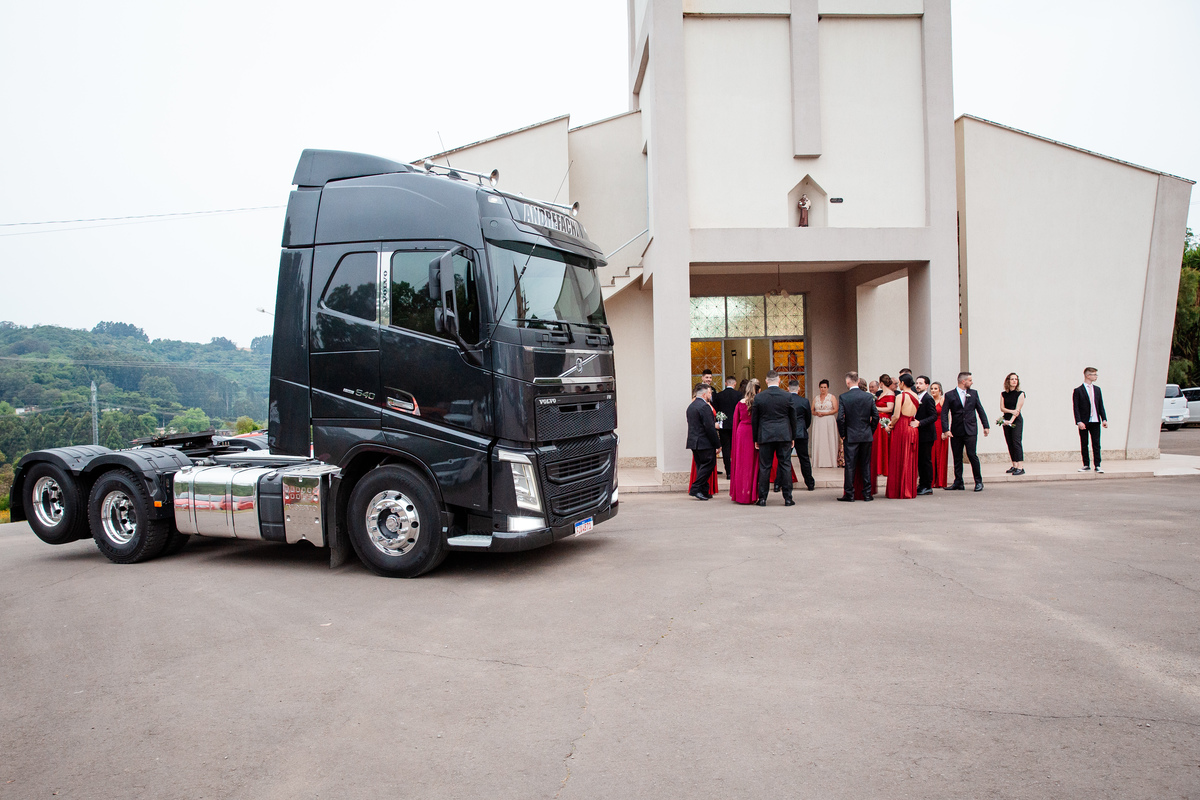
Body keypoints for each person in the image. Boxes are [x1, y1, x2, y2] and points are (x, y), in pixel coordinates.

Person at [752, 371, 797, 506]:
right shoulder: (787, 396)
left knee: (765, 466)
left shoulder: (759, 397)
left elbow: (755, 420)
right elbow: (793, 418)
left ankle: (763, 498)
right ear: (779, 381)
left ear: (766, 381)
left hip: (765, 435)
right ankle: (788, 498)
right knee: (785, 465)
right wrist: (792, 436)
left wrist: (756, 438)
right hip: (784, 434)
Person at [941, 371, 990, 491]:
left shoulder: (973, 393)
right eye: (970, 380)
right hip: (956, 430)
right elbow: (944, 413)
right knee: (957, 456)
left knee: (972, 455)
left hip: (971, 429)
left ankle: (978, 481)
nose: (972, 382)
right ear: (963, 381)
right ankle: (958, 482)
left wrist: (986, 425)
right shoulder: (950, 395)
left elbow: (980, 409)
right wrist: (946, 429)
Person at [836, 371, 879, 502]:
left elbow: (840, 419)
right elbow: (875, 416)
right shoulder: (868, 397)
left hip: (851, 434)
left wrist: (843, 434)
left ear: (848, 382)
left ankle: (849, 494)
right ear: (858, 381)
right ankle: (867, 493)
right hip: (866, 434)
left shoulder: (844, 397)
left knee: (850, 465)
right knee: (865, 464)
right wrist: (870, 430)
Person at [886, 374, 920, 499]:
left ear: (902, 383)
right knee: (909, 457)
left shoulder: (901, 396)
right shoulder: (916, 395)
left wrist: (890, 425)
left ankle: (898, 489)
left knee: (899, 456)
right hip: (912, 427)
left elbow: (896, 415)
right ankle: (908, 488)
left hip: (902, 427)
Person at [686, 383, 720, 500]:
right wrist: (717, 444)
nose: (711, 395)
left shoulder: (691, 406)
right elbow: (709, 428)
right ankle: (695, 488)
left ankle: (704, 490)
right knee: (709, 464)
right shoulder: (704, 407)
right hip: (704, 442)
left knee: (701, 466)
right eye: (710, 393)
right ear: (704, 394)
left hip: (694, 441)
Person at [729, 379, 760, 504]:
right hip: (752, 432)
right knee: (752, 463)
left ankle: (740, 492)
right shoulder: (757, 402)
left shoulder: (740, 403)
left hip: (741, 432)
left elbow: (736, 420)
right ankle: (751, 492)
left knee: (741, 462)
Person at [1073, 367, 1107, 473]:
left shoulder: (1097, 390)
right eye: (1094, 374)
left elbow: (1101, 405)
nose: (1096, 376)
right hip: (1084, 421)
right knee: (1084, 443)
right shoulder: (1078, 390)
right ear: (1088, 375)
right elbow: (1076, 407)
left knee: (1096, 443)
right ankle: (1086, 464)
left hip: (1095, 420)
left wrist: (1104, 419)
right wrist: (1079, 421)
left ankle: (1097, 465)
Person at [787, 379, 815, 491]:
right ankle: (809, 483)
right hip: (801, 432)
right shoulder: (804, 401)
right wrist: (804, 427)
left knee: (784, 459)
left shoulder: (786, 400)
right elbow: (808, 418)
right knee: (804, 459)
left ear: (788, 389)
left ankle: (778, 484)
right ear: (799, 388)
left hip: (788, 433)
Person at [712, 375, 742, 477]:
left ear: (726, 383)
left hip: (723, 425)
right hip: (736, 425)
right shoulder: (739, 395)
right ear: (735, 383)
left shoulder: (719, 395)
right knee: (736, 447)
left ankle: (728, 471)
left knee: (725, 448)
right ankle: (736, 470)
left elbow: (715, 410)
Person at [914, 375, 938, 495]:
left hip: (927, 434)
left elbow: (933, 416)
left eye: (920, 383)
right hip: (919, 434)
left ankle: (927, 485)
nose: (918, 385)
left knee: (926, 460)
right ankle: (921, 483)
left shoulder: (928, 399)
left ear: (927, 385)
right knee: (920, 461)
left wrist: (920, 423)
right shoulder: (916, 397)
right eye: (917, 383)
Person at [872, 374, 895, 495]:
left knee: (884, 443)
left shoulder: (890, 394)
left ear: (881, 383)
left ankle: (884, 467)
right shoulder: (880, 394)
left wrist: (876, 408)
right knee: (877, 443)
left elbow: (890, 409)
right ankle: (878, 467)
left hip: (884, 421)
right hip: (877, 421)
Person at [1001, 372, 1026, 475]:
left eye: (1016, 379)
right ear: (1008, 381)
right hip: (1006, 420)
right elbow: (1002, 408)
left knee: (1016, 442)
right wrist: (1009, 414)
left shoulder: (1021, 394)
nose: (1014, 381)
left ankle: (1020, 467)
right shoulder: (1003, 394)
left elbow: (1017, 410)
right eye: (1012, 379)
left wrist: (1011, 420)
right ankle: (1014, 465)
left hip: (1016, 421)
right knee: (1009, 442)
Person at [811, 379, 839, 469]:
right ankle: (819, 461)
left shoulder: (831, 397)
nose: (823, 389)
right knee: (819, 439)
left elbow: (836, 409)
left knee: (829, 438)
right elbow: (812, 410)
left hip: (828, 420)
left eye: (825, 387)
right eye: (821, 387)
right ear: (819, 388)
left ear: (828, 388)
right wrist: (817, 413)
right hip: (818, 421)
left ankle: (830, 461)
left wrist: (826, 413)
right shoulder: (816, 398)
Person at [930, 382, 950, 488]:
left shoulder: (942, 400)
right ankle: (932, 480)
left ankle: (940, 481)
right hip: (931, 428)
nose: (933, 390)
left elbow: (946, 416)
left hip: (940, 428)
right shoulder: (929, 400)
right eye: (932, 388)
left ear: (940, 390)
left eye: (935, 388)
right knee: (932, 453)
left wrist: (945, 431)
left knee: (940, 454)